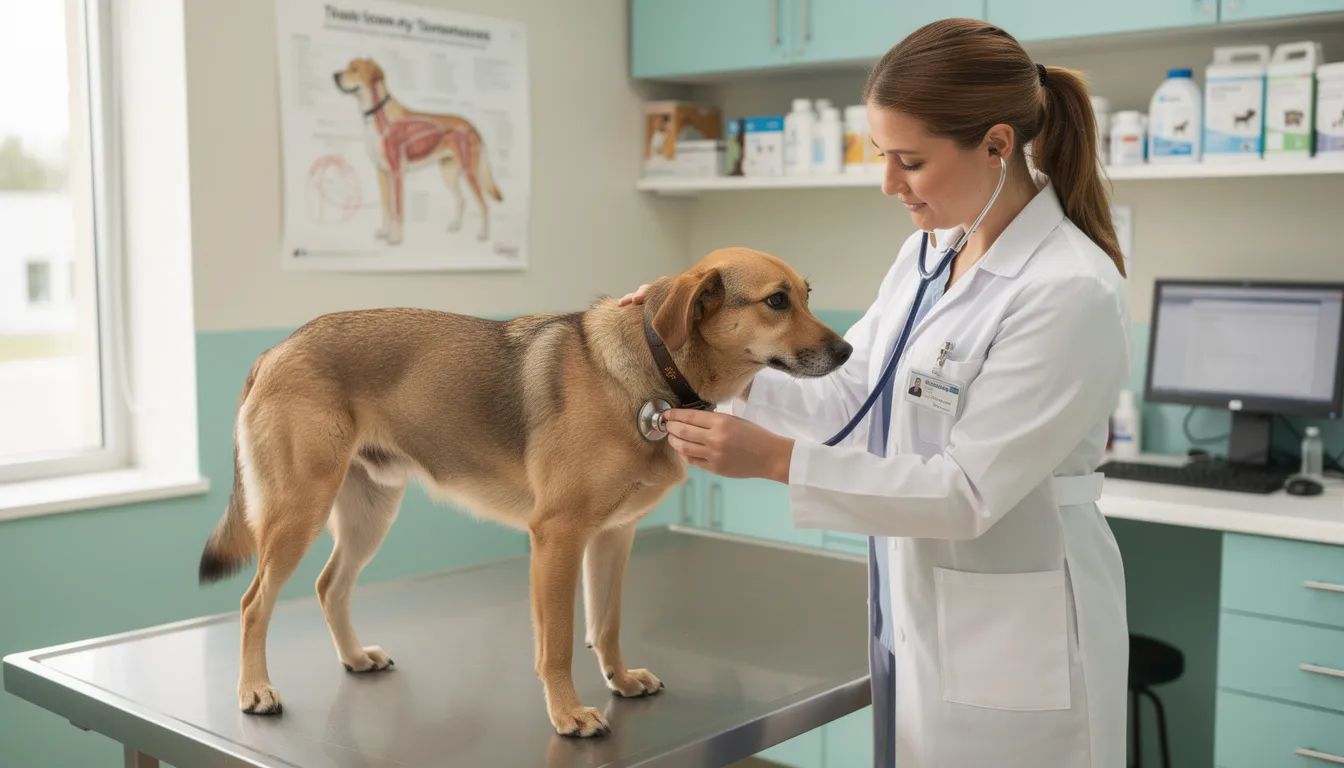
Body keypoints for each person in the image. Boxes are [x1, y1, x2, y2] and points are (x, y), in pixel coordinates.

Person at [619, 17, 1132, 768]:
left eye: (910, 162)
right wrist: (708, 361)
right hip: (917, 603)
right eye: (883, 156)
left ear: (995, 144)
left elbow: (966, 493)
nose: (889, 184)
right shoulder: (930, 251)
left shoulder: (1070, 289)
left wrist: (777, 462)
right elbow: (851, 396)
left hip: (1014, 626)